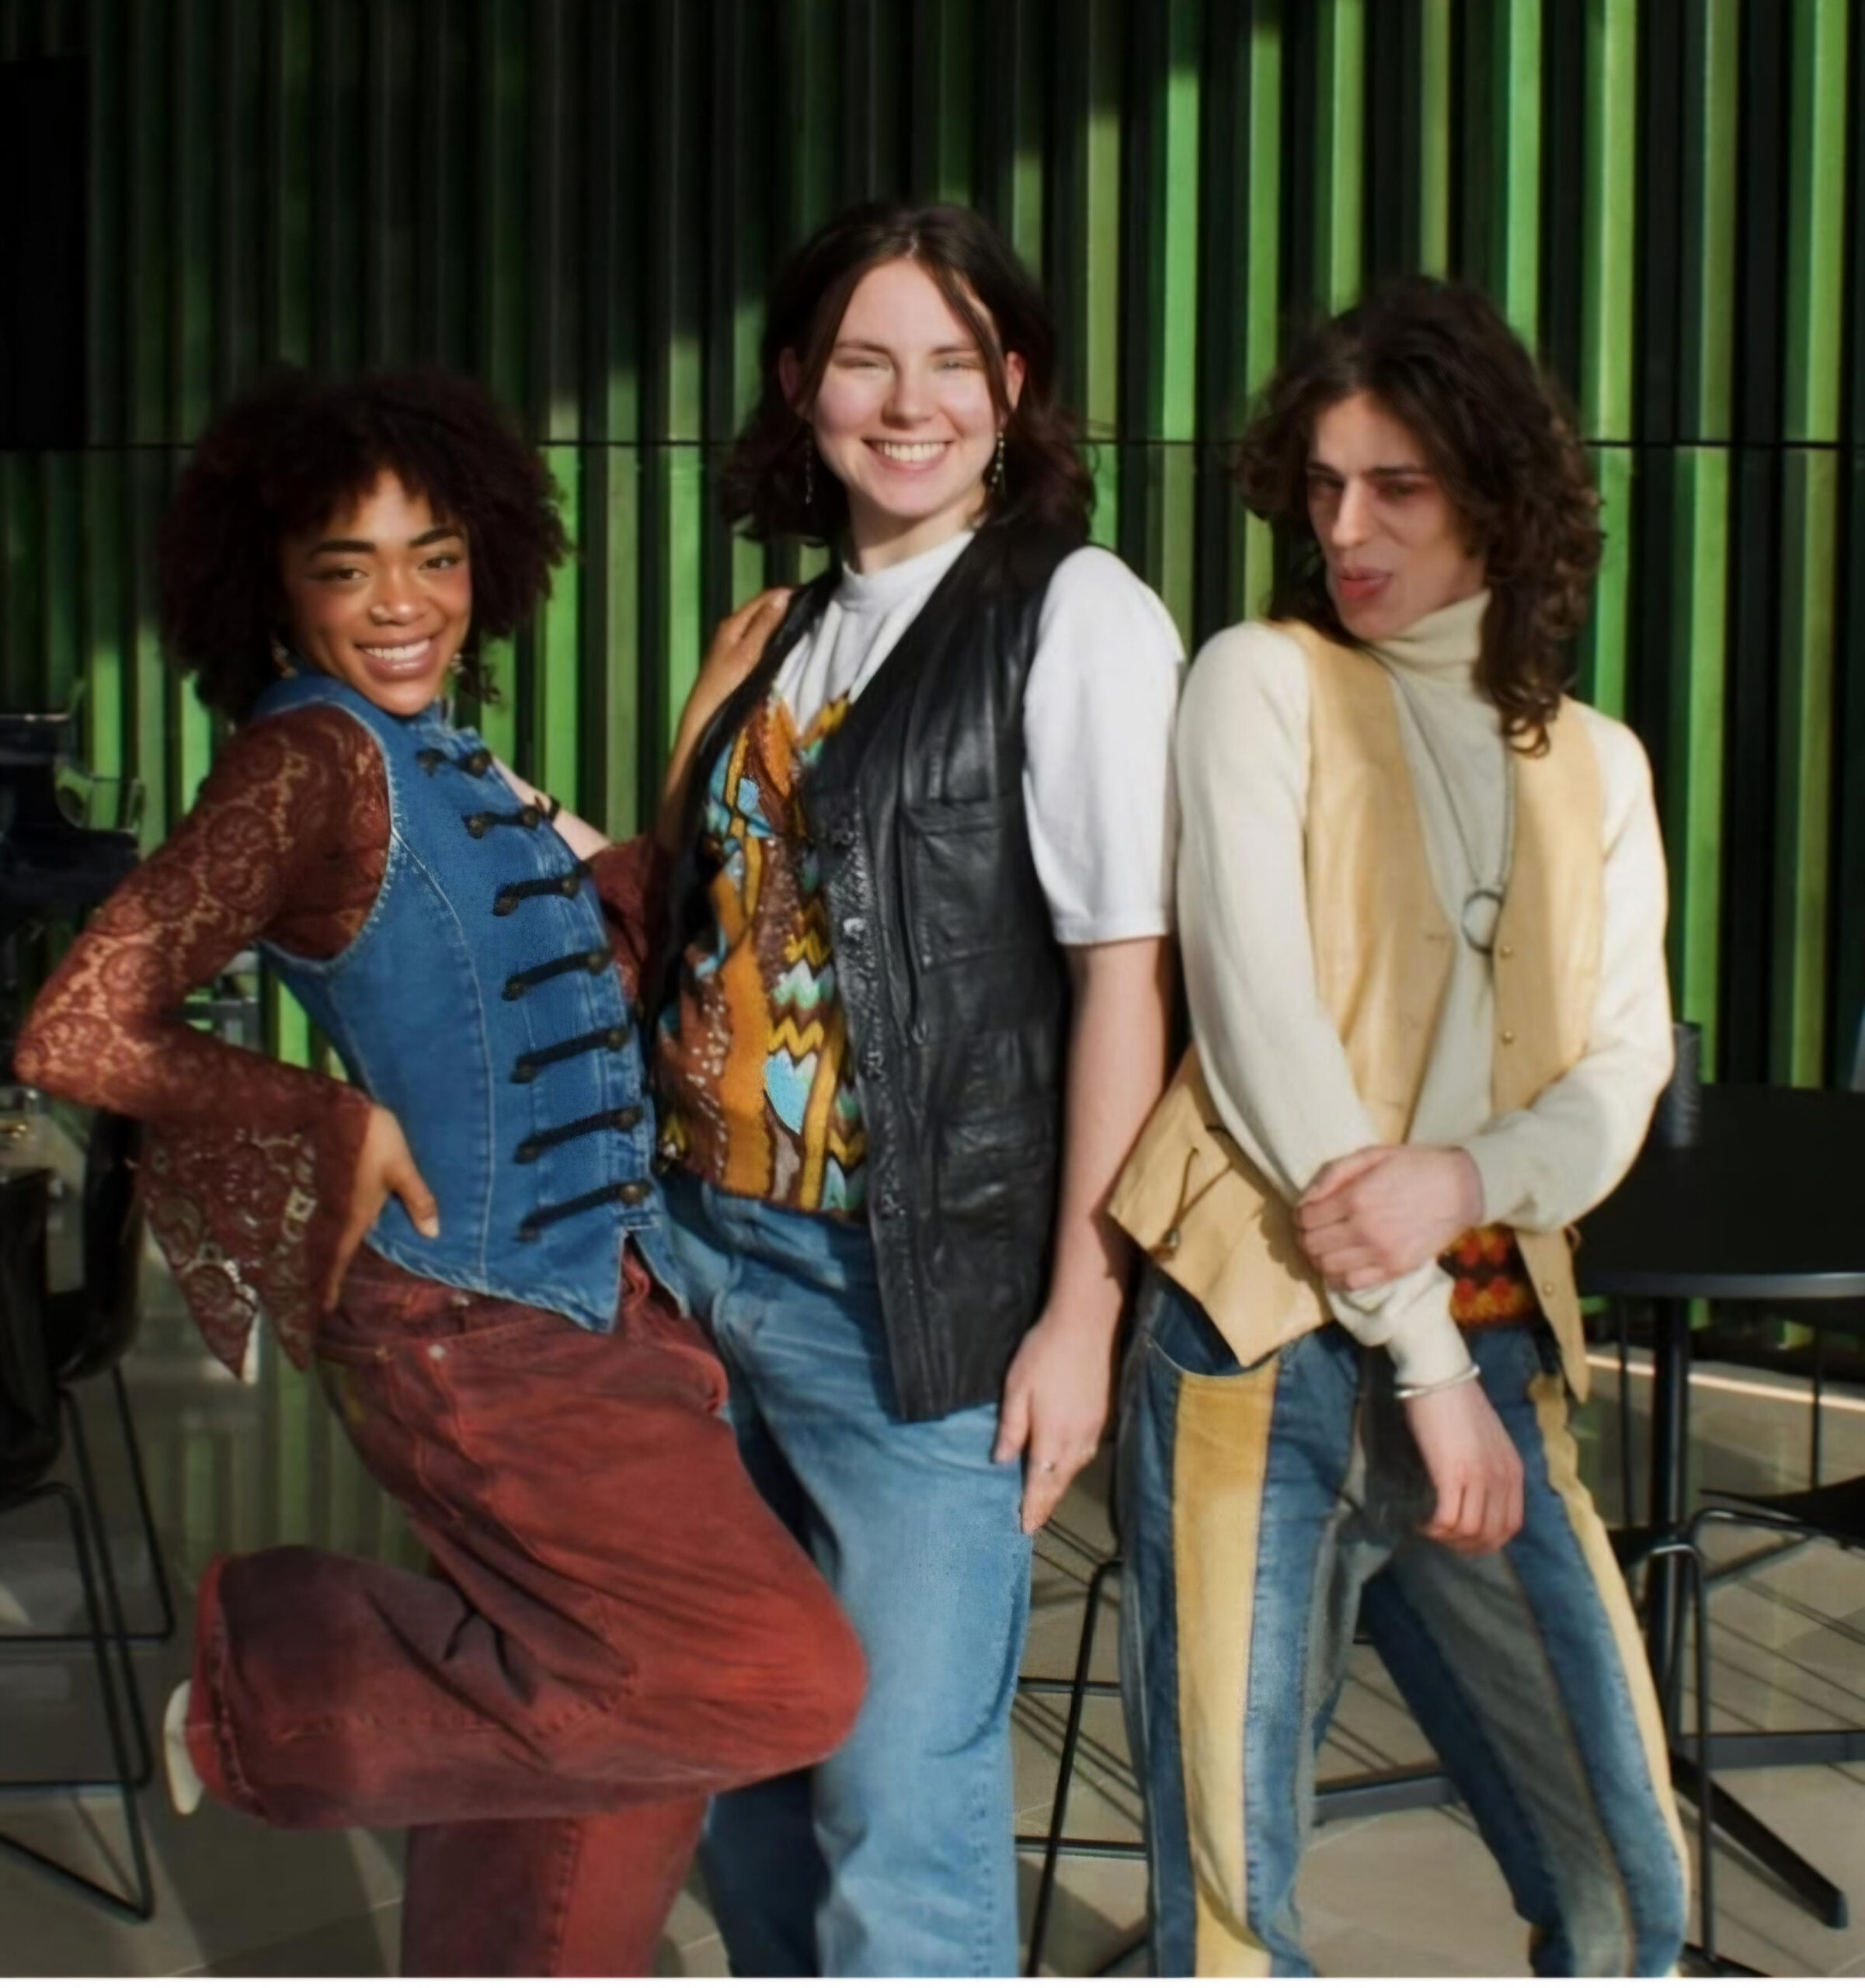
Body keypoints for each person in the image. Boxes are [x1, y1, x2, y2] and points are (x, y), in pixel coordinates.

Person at [16, 368, 864, 1977]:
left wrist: (699, 734)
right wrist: (323, 1118)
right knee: (776, 1675)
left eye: (438, 555)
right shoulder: (307, 763)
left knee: (601, 1773)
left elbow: (594, 964)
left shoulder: (441, 756)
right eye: (347, 566)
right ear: (276, 587)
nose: (403, 603)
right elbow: (76, 1025)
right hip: (477, 1333)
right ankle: (274, 1682)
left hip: (580, 1305)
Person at [1108, 277, 1689, 1976]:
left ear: (1495, 498)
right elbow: (1260, 1022)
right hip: (1261, 1336)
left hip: (1495, 1329)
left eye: (1397, 488)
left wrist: (1466, 1180)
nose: (1344, 530)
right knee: (1236, 1904)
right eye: (1323, 486)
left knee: (1627, 1881)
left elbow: (1619, 1067)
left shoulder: (1597, 765)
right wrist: (1421, 1357)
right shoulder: (1257, 683)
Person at [649, 203, 1182, 1976]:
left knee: (899, 1796)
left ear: (1011, 385)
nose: (908, 404)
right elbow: (713, 924)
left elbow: (1124, 977)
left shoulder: (1073, 612)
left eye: (952, 363)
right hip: (701, 1257)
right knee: (740, 1761)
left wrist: (1081, 1312)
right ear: (797, 383)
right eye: (864, 361)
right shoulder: (784, 627)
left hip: (912, 1303)